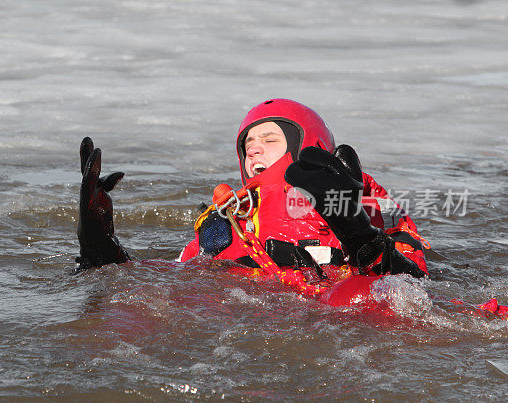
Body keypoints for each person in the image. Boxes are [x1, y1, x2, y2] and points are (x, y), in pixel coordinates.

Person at [76, 98, 428, 280]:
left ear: (311, 144)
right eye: (247, 145)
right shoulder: (227, 222)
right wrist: (102, 249)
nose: (254, 149)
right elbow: (168, 281)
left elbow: (417, 282)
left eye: (269, 139)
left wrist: (358, 233)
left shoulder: (366, 202)